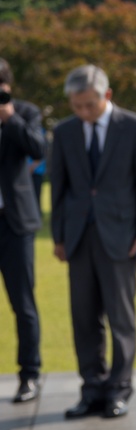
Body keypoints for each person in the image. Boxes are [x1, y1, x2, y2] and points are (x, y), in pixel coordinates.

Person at [50, 64, 136, 419]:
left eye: (89, 105)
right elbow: (59, 187)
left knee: (120, 317)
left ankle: (119, 388)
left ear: (107, 96)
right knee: (83, 317)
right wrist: (59, 237)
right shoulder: (65, 132)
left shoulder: (135, 127)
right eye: (76, 106)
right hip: (79, 238)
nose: (83, 112)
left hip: (123, 238)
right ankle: (92, 389)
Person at [0, 58, 46, 403]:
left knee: (23, 303)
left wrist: (8, 116)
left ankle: (29, 375)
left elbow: (38, 148)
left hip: (14, 223)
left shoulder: (25, 113)